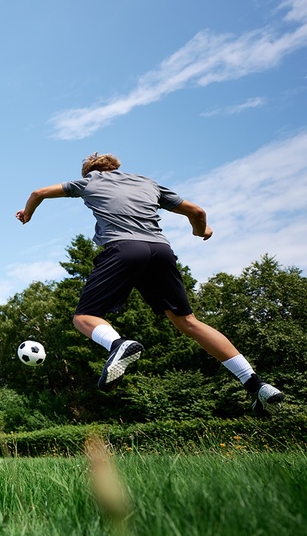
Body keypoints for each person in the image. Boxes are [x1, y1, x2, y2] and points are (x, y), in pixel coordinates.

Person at [15, 152, 284, 416]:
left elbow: (38, 193)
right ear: (116, 168)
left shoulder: (90, 182)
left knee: (84, 317)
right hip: (160, 251)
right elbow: (197, 211)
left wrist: (27, 214)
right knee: (188, 322)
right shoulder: (148, 183)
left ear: (90, 172)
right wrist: (201, 230)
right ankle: (255, 383)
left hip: (124, 249)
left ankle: (118, 344)